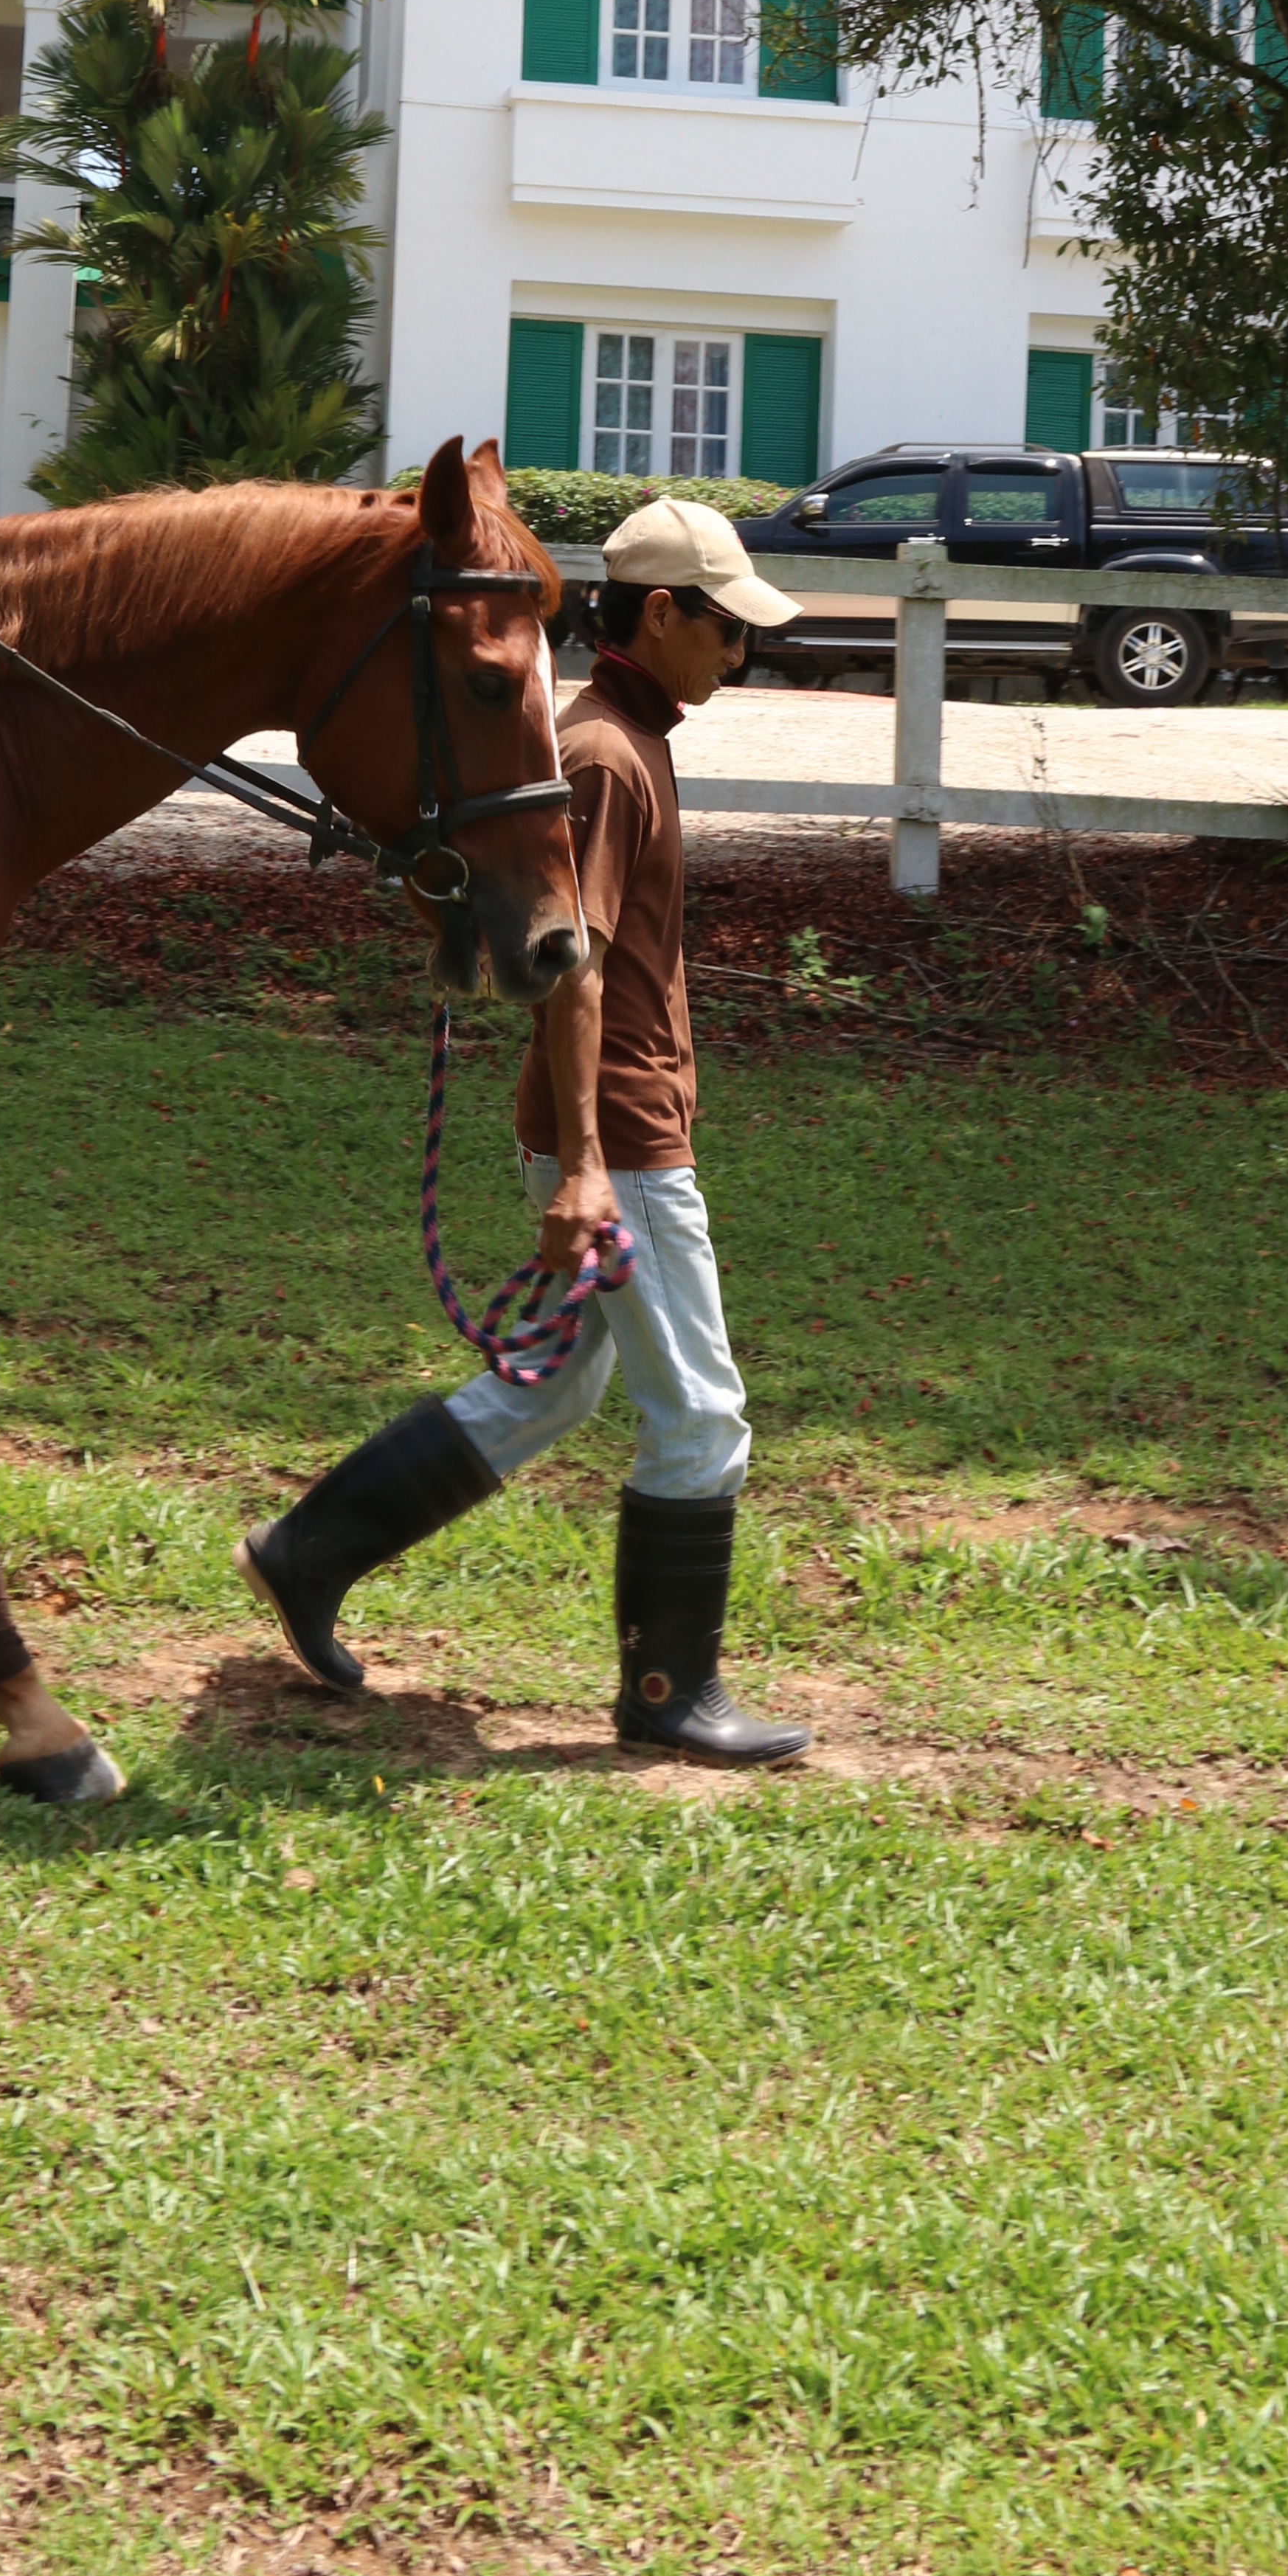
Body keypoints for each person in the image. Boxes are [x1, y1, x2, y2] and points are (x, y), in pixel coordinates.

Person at [240, 492, 811, 1765]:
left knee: (552, 1386)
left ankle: (307, 1550)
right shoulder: (606, 755)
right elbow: (570, 970)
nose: (740, 653)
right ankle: (670, 1692)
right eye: (728, 631)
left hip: (612, 1132)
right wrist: (594, 1172)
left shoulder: (625, 735)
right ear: (660, 614)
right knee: (704, 1418)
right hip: (626, 1144)